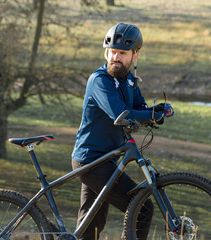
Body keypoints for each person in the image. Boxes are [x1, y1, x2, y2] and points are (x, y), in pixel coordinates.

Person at [71, 23, 174, 239]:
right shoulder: (100, 80)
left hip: (106, 160)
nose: (115, 57)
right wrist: (149, 115)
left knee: (92, 227)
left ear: (134, 56)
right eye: (112, 52)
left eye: (122, 53)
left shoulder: (128, 80)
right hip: (90, 162)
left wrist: (157, 111)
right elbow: (121, 115)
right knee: (142, 207)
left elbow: (139, 109)